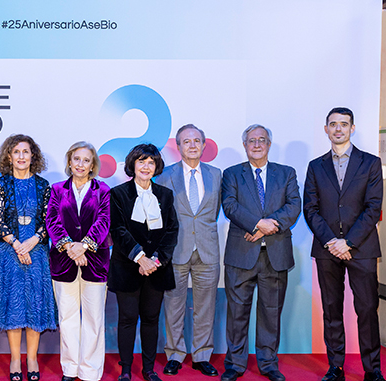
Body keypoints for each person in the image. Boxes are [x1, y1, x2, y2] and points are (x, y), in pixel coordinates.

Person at [304, 107, 386, 381]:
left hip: (361, 248)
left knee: (366, 310)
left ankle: (372, 370)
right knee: (332, 309)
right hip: (327, 249)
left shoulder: (370, 163)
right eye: (333, 124)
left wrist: (348, 242)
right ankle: (335, 367)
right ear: (326, 129)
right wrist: (331, 241)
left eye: (344, 124)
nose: (338, 128)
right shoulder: (316, 166)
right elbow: (310, 209)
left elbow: (373, 208)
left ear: (352, 128)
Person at [220, 124, 301, 381]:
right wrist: (258, 224)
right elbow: (230, 206)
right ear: (244, 145)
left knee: (271, 312)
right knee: (237, 313)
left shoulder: (286, 173)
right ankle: (234, 364)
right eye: (251, 140)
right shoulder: (232, 174)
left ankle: (268, 364)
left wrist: (266, 227)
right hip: (241, 254)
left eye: (262, 140)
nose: (257, 144)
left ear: (269, 144)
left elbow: (294, 205)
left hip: (275, 255)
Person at [0, 134, 57, 381]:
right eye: (16, 152)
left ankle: (32, 358)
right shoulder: (1, 185)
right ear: (9, 156)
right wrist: (17, 244)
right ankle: (16, 358)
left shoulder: (43, 185)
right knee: (14, 309)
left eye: (26, 152)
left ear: (33, 156)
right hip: (9, 253)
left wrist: (33, 241)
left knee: (34, 307)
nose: (21, 156)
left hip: (36, 253)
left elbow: (50, 221)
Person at [155, 125, 221, 378]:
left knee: (206, 307)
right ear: (178, 147)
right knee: (173, 305)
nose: (192, 145)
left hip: (208, 250)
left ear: (204, 145)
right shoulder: (165, 176)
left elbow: (212, 214)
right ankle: (174, 354)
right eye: (186, 141)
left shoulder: (217, 175)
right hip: (176, 251)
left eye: (197, 141)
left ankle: (202, 354)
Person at [108, 143, 179, 381]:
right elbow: (117, 230)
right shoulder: (117, 193)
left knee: (151, 319)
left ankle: (148, 369)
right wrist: (140, 257)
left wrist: (155, 260)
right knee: (127, 319)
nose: (146, 166)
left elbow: (171, 230)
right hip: (127, 266)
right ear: (133, 165)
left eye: (151, 162)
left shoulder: (166, 195)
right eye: (141, 161)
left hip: (156, 269)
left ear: (157, 166)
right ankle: (126, 369)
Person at [46, 141, 111, 381]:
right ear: (69, 162)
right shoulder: (56, 189)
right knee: (68, 318)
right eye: (76, 159)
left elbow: (104, 221)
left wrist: (83, 246)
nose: (80, 164)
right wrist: (69, 247)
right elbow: (52, 221)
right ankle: (70, 368)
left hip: (95, 262)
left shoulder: (103, 190)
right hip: (63, 262)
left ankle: (90, 371)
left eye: (86, 160)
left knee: (94, 319)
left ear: (92, 164)